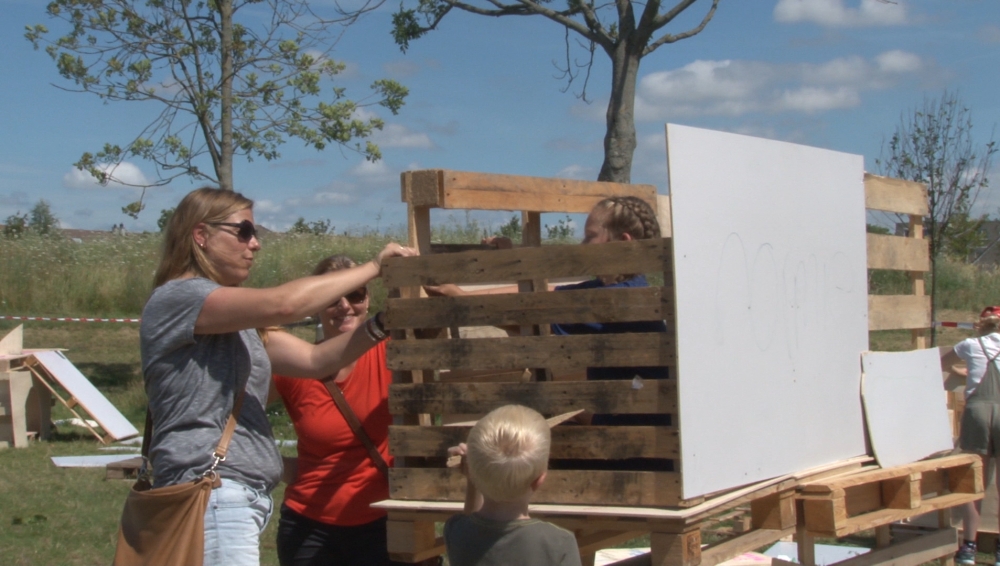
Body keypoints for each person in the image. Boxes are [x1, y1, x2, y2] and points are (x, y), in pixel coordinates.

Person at [140, 186, 416, 566]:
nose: (255, 244)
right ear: (200, 235)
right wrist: (374, 266)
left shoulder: (234, 321)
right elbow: (283, 304)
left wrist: (383, 323)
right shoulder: (181, 296)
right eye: (244, 231)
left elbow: (316, 360)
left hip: (237, 496)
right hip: (213, 492)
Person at [272, 254, 404, 566]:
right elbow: (230, 413)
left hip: (384, 523)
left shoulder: (395, 353)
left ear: (368, 300)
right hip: (309, 528)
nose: (344, 306)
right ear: (317, 306)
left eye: (355, 294)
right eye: (332, 298)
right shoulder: (294, 367)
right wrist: (275, 465)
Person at [444, 404, 582, 566]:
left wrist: (472, 479)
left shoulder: (456, 531)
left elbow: (472, 528)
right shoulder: (558, 543)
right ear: (539, 480)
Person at [942, 305, 1000, 566]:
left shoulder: (970, 344)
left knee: (975, 482)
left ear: (981, 325)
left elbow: (940, 364)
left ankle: (968, 547)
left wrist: (962, 374)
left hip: (977, 412)